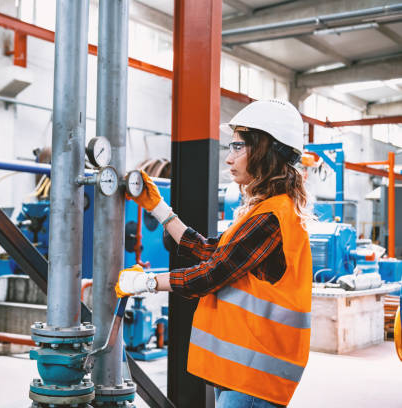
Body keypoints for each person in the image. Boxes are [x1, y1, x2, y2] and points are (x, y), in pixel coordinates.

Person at [116, 99, 313, 408]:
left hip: (253, 376)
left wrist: (145, 283)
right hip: (243, 371)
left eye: (237, 148)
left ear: (263, 151)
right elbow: (213, 252)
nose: (229, 159)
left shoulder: (271, 217)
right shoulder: (266, 210)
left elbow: (210, 274)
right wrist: (159, 209)